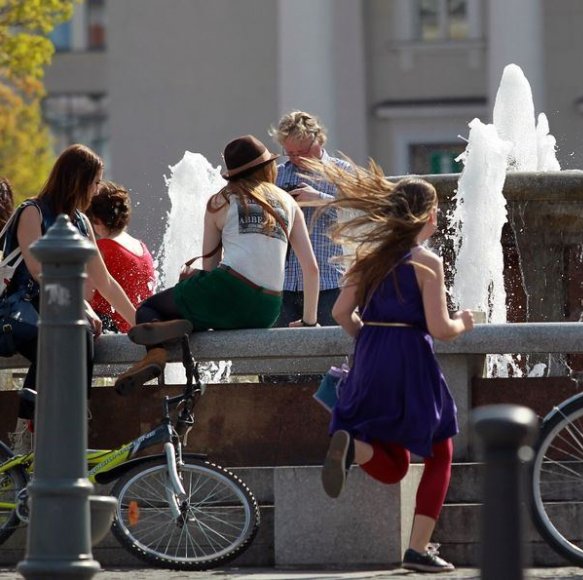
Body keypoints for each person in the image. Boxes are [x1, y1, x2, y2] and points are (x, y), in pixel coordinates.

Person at [317, 160, 474, 573]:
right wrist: (465, 324)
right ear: (426, 215)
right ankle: (418, 550)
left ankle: (354, 446)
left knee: (396, 464)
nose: (439, 215)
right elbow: (440, 329)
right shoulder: (426, 263)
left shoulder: (369, 257)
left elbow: (339, 312)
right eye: (436, 208)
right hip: (411, 360)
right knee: (441, 450)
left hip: (371, 354)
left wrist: (369, 341)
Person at [114, 135, 320, 393]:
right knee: (201, 309)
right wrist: (309, 323)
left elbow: (210, 269)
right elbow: (311, 269)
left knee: (147, 309)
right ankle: (178, 329)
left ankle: (156, 354)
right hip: (267, 309)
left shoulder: (220, 200)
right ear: (268, 167)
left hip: (228, 293)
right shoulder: (289, 202)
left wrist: (192, 278)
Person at [2, 145, 137, 427]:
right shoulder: (32, 212)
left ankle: (74, 413)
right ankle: (27, 427)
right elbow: (40, 271)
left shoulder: (81, 222)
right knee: (55, 341)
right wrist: (82, 305)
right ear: (79, 180)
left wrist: (139, 324)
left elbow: (105, 282)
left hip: (54, 307)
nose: (98, 190)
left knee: (83, 335)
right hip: (18, 309)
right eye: (96, 182)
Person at [270, 111, 352, 328]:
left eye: (303, 151)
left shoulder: (342, 171)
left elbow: (362, 212)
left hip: (329, 282)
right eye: (291, 153)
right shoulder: (277, 175)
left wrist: (320, 199)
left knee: (333, 353)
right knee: (280, 357)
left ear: (319, 139)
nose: (297, 158)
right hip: (284, 283)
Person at [86, 180, 157, 333]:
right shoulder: (141, 247)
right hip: (135, 326)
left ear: (97, 221)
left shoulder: (102, 248)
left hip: (111, 330)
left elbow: (86, 293)